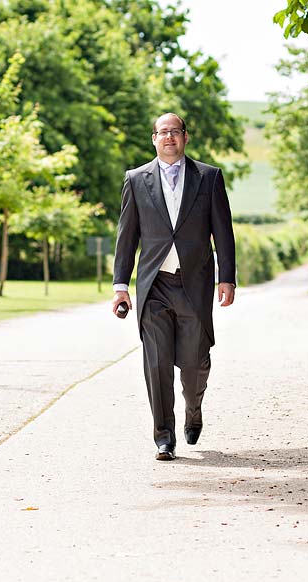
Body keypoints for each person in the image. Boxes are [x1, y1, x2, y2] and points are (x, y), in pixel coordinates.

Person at [111, 113, 236, 461]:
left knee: (196, 364)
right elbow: (127, 236)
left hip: (194, 285)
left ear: (185, 137)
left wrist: (227, 277)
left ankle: (193, 408)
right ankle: (164, 437)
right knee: (157, 364)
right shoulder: (135, 180)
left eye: (175, 132)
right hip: (154, 288)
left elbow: (223, 232)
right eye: (163, 132)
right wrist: (121, 284)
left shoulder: (209, 178)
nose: (169, 137)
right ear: (153, 139)